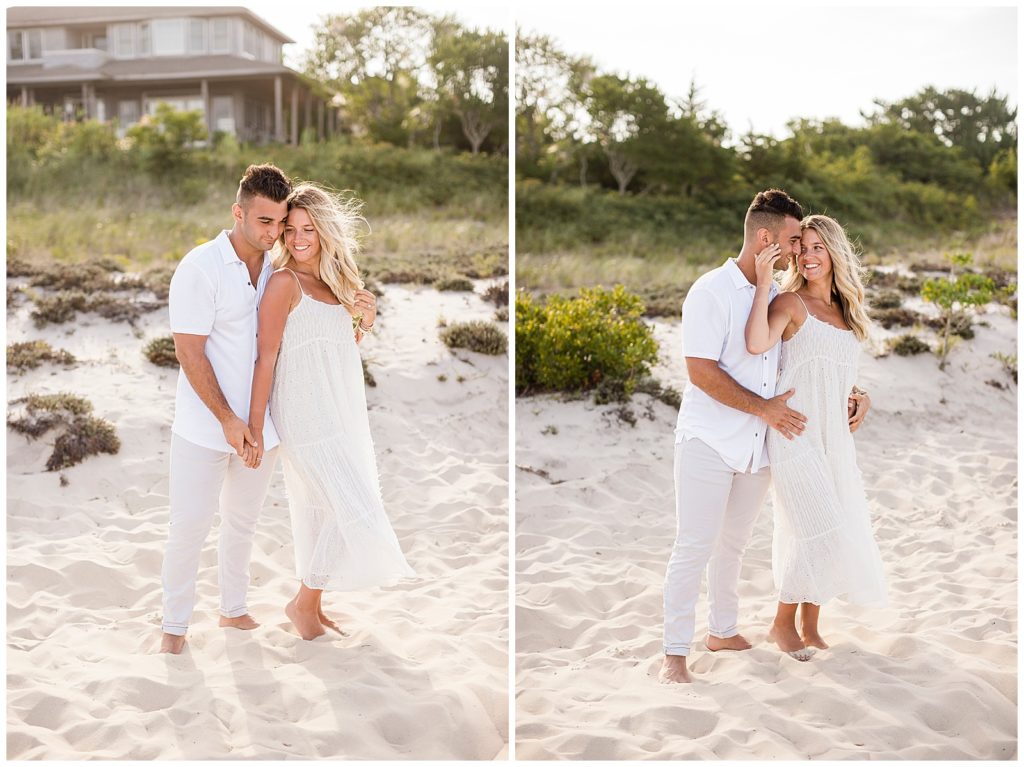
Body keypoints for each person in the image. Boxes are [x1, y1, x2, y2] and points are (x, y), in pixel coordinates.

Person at [659, 189, 870, 684]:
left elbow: (802, 358)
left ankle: (723, 630)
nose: (800, 250)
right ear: (765, 237)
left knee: (733, 544)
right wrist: (765, 409)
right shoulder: (710, 291)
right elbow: (699, 371)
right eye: (795, 239)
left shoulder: (777, 296)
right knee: (694, 544)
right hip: (709, 439)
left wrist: (855, 392)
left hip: (759, 443)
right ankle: (673, 655)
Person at [246, 182, 415, 641]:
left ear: (324, 232)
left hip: (337, 411)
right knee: (352, 508)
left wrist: (366, 318)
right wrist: (254, 426)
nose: (299, 238)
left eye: (308, 229)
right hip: (303, 414)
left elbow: (341, 348)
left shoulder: (336, 285)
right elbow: (266, 356)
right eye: (291, 229)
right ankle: (302, 605)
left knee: (329, 509)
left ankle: (312, 607)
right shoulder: (284, 283)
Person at [160, 164, 292, 654]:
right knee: (189, 527)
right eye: (263, 221)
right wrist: (228, 420)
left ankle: (232, 610)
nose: (273, 232)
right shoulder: (199, 268)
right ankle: (174, 629)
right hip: (203, 428)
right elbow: (189, 353)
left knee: (242, 523)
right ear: (238, 212)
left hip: (263, 427)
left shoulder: (277, 270)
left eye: (279, 222)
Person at [744, 214, 887, 661]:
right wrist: (766, 284)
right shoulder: (789, 304)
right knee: (818, 530)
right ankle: (780, 624)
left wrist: (861, 396)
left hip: (834, 441)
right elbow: (754, 344)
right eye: (802, 247)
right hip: (794, 434)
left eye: (817, 247)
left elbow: (843, 377)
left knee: (824, 529)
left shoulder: (847, 314)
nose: (807, 256)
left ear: (834, 253)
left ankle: (810, 625)